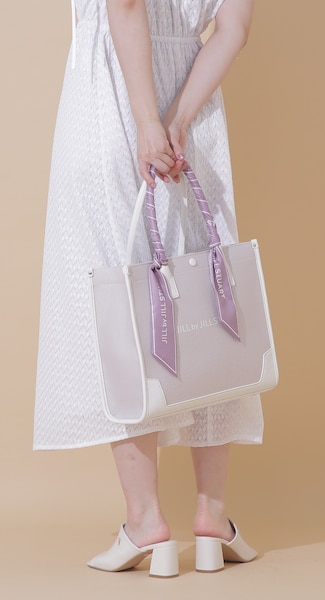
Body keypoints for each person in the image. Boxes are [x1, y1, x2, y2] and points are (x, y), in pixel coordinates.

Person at [34, 0, 263, 577]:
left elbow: (127, 4)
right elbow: (233, 28)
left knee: (121, 305)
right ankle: (212, 518)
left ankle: (145, 522)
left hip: (111, 94)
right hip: (192, 98)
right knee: (206, 298)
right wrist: (177, 120)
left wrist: (147, 122)